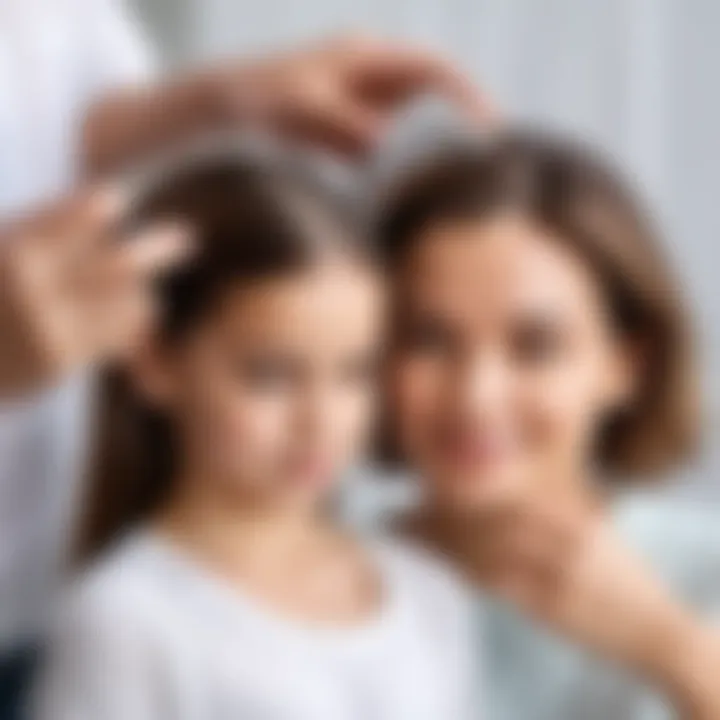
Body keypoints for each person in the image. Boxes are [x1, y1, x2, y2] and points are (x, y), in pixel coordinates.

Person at [0, 6, 487, 713]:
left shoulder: (427, 597)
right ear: (155, 360)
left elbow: (51, 119)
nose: (321, 421)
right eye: (270, 376)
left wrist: (221, 101)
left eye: (354, 372)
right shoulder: (124, 627)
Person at [374, 130, 720, 719]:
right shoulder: (307, 567)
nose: (475, 398)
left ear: (626, 363)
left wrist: (671, 647)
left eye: (535, 347)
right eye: (430, 340)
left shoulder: (705, 572)